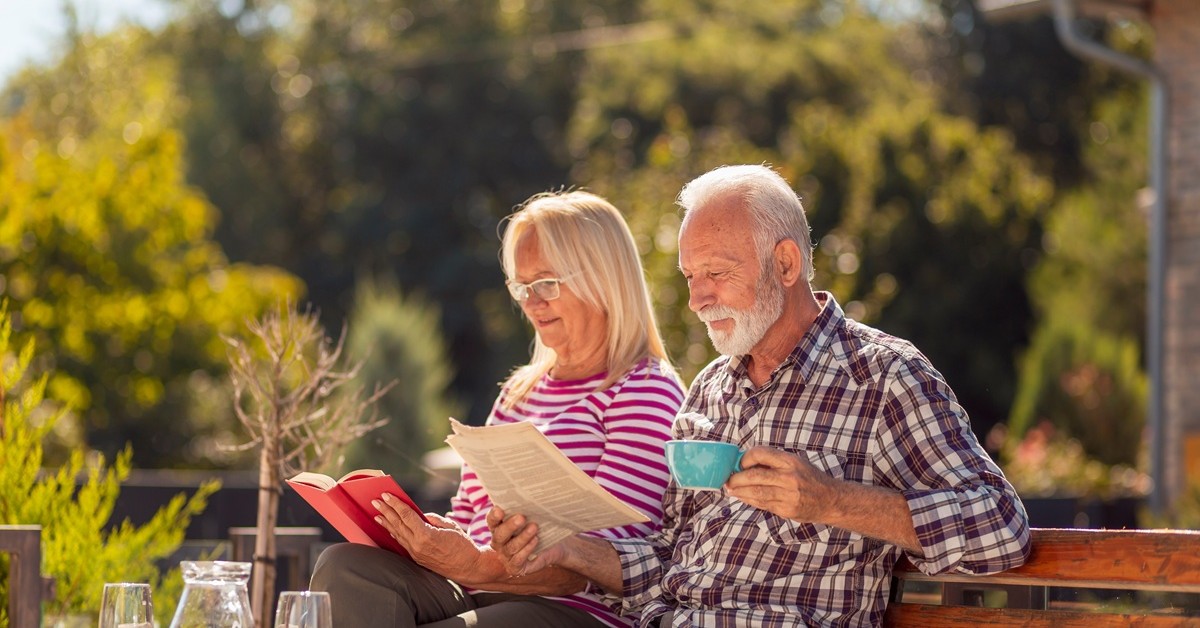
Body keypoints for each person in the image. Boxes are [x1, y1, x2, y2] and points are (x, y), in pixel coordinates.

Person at [489, 165, 1032, 627]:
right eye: (689, 277)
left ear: (787, 264)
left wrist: (832, 500)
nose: (698, 299)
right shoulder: (709, 390)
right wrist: (567, 550)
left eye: (717, 274)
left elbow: (1001, 527)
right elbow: (669, 559)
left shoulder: (883, 376)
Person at [310, 190, 686, 628]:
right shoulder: (518, 392)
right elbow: (470, 519)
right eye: (521, 287)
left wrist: (477, 566)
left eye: (546, 283)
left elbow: (612, 558)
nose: (531, 302)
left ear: (603, 279)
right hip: (485, 591)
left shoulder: (644, 390)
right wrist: (435, 538)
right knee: (346, 567)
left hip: (582, 612)